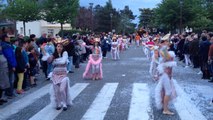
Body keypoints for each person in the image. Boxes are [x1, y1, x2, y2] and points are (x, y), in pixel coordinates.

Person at [155, 33, 177, 115]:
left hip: (167, 74)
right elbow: (168, 58)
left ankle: (164, 106)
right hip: (165, 74)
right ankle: (165, 109)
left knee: (164, 91)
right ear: (164, 42)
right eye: (167, 41)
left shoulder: (164, 50)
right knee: (168, 91)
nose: (169, 42)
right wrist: (163, 47)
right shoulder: (163, 50)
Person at [49, 41, 72, 111]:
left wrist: (56, 61)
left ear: (62, 48)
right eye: (58, 46)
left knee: (62, 89)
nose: (59, 48)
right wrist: (52, 59)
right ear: (56, 47)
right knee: (56, 91)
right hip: (55, 74)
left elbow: (63, 61)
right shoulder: (54, 54)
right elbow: (51, 63)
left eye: (61, 47)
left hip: (63, 74)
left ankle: (64, 103)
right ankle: (59, 103)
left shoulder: (65, 53)